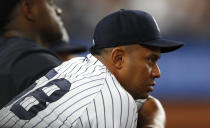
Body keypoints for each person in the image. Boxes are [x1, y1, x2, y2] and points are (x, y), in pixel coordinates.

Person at [0, 9, 183, 128]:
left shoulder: (74, 66)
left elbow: (149, 105)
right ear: (118, 58)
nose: (157, 72)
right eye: (151, 60)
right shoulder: (112, 99)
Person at [0, 0, 67, 108]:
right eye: (50, 4)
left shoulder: (7, 54)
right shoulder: (40, 63)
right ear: (29, 9)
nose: (58, 11)